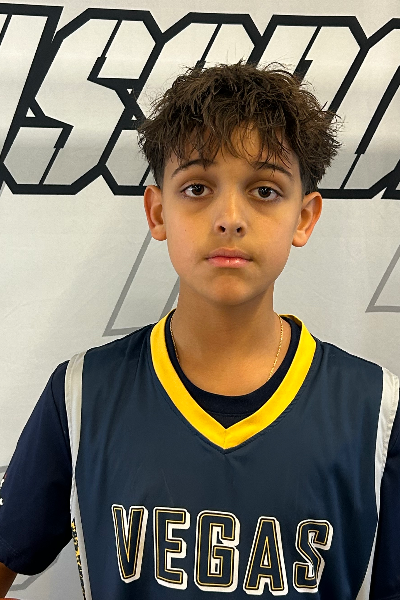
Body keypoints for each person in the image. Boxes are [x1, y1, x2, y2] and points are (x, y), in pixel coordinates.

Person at [0, 61, 399, 599]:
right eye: (197, 187)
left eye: (264, 190)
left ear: (305, 217)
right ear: (157, 211)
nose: (229, 217)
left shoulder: (377, 409)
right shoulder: (81, 394)